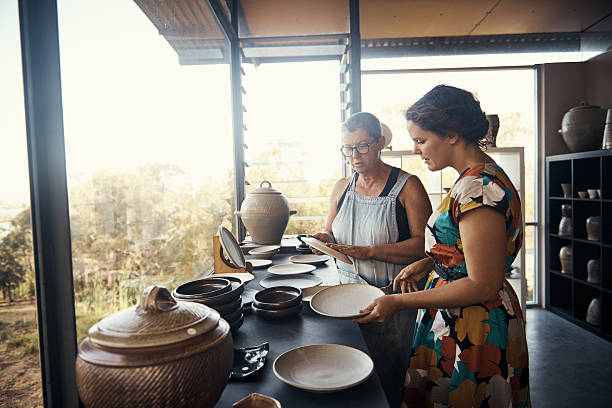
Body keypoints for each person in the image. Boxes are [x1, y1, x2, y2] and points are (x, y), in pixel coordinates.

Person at [355, 85, 530, 407]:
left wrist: (396, 302)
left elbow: (482, 284)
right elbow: (468, 251)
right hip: (456, 315)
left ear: (452, 134)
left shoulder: (481, 188)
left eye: (421, 140)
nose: (417, 150)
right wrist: (430, 262)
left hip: (475, 325)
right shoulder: (474, 179)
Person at [310, 112, 432, 408]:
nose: (355, 155)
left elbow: (426, 248)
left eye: (362, 146)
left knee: (391, 380)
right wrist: (324, 240)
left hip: (393, 302)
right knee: (353, 382)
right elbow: (331, 232)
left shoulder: (407, 187)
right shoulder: (341, 188)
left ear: (380, 143)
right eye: (348, 148)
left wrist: (369, 251)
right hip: (345, 301)